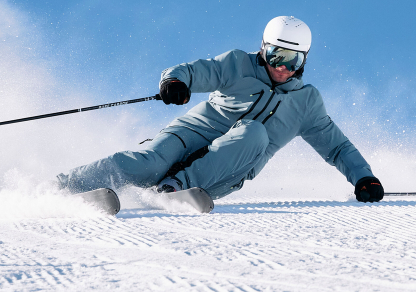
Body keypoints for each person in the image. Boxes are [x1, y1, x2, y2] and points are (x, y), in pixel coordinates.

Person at [57, 16, 384, 203]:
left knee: (256, 133)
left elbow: (338, 148)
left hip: (227, 167)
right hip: (190, 135)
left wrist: (364, 177)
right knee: (148, 164)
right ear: (263, 49)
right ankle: (64, 186)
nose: (282, 67)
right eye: (276, 56)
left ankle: (176, 189)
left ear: (304, 61)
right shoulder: (237, 64)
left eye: (292, 60)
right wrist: (175, 82)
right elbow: (192, 70)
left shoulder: (307, 103)